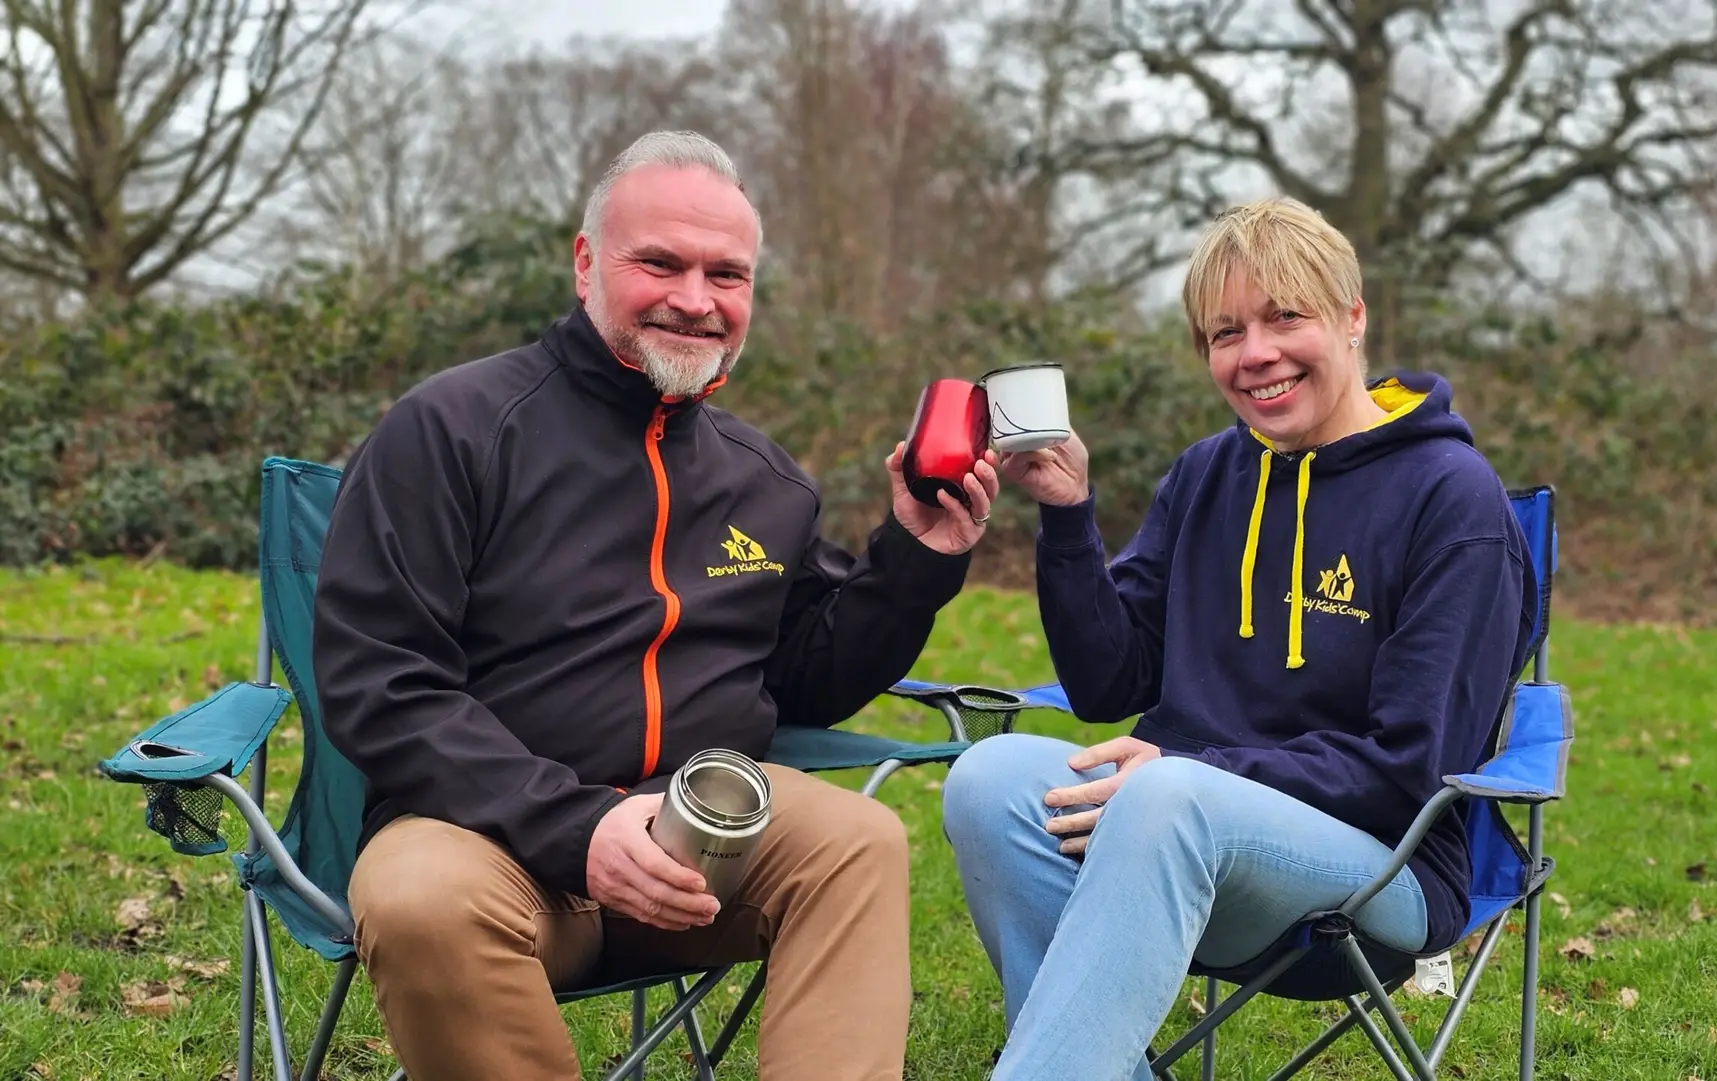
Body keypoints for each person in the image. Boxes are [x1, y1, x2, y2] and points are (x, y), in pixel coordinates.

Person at [310, 129, 999, 1081]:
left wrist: (917, 557)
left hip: (700, 839)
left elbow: (809, 676)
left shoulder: (766, 483)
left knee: (860, 841)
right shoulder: (452, 429)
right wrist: (579, 827)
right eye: (660, 262)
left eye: (728, 273)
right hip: (488, 843)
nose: (695, 298)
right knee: (417, 895)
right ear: (587, 263)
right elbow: (379, 681)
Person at [941, 197, 1538, 1080]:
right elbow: (1111, 683)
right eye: (1225, 332)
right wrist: (1067, 517)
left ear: (1352, 318)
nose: (1254, 353)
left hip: (1386, 865)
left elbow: (1411, 768)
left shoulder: (1452, 500)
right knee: (987, 777)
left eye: (1284, 317)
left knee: (1165, 796)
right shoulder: (1209, 473)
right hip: (1174, 832)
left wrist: (1204, 774)